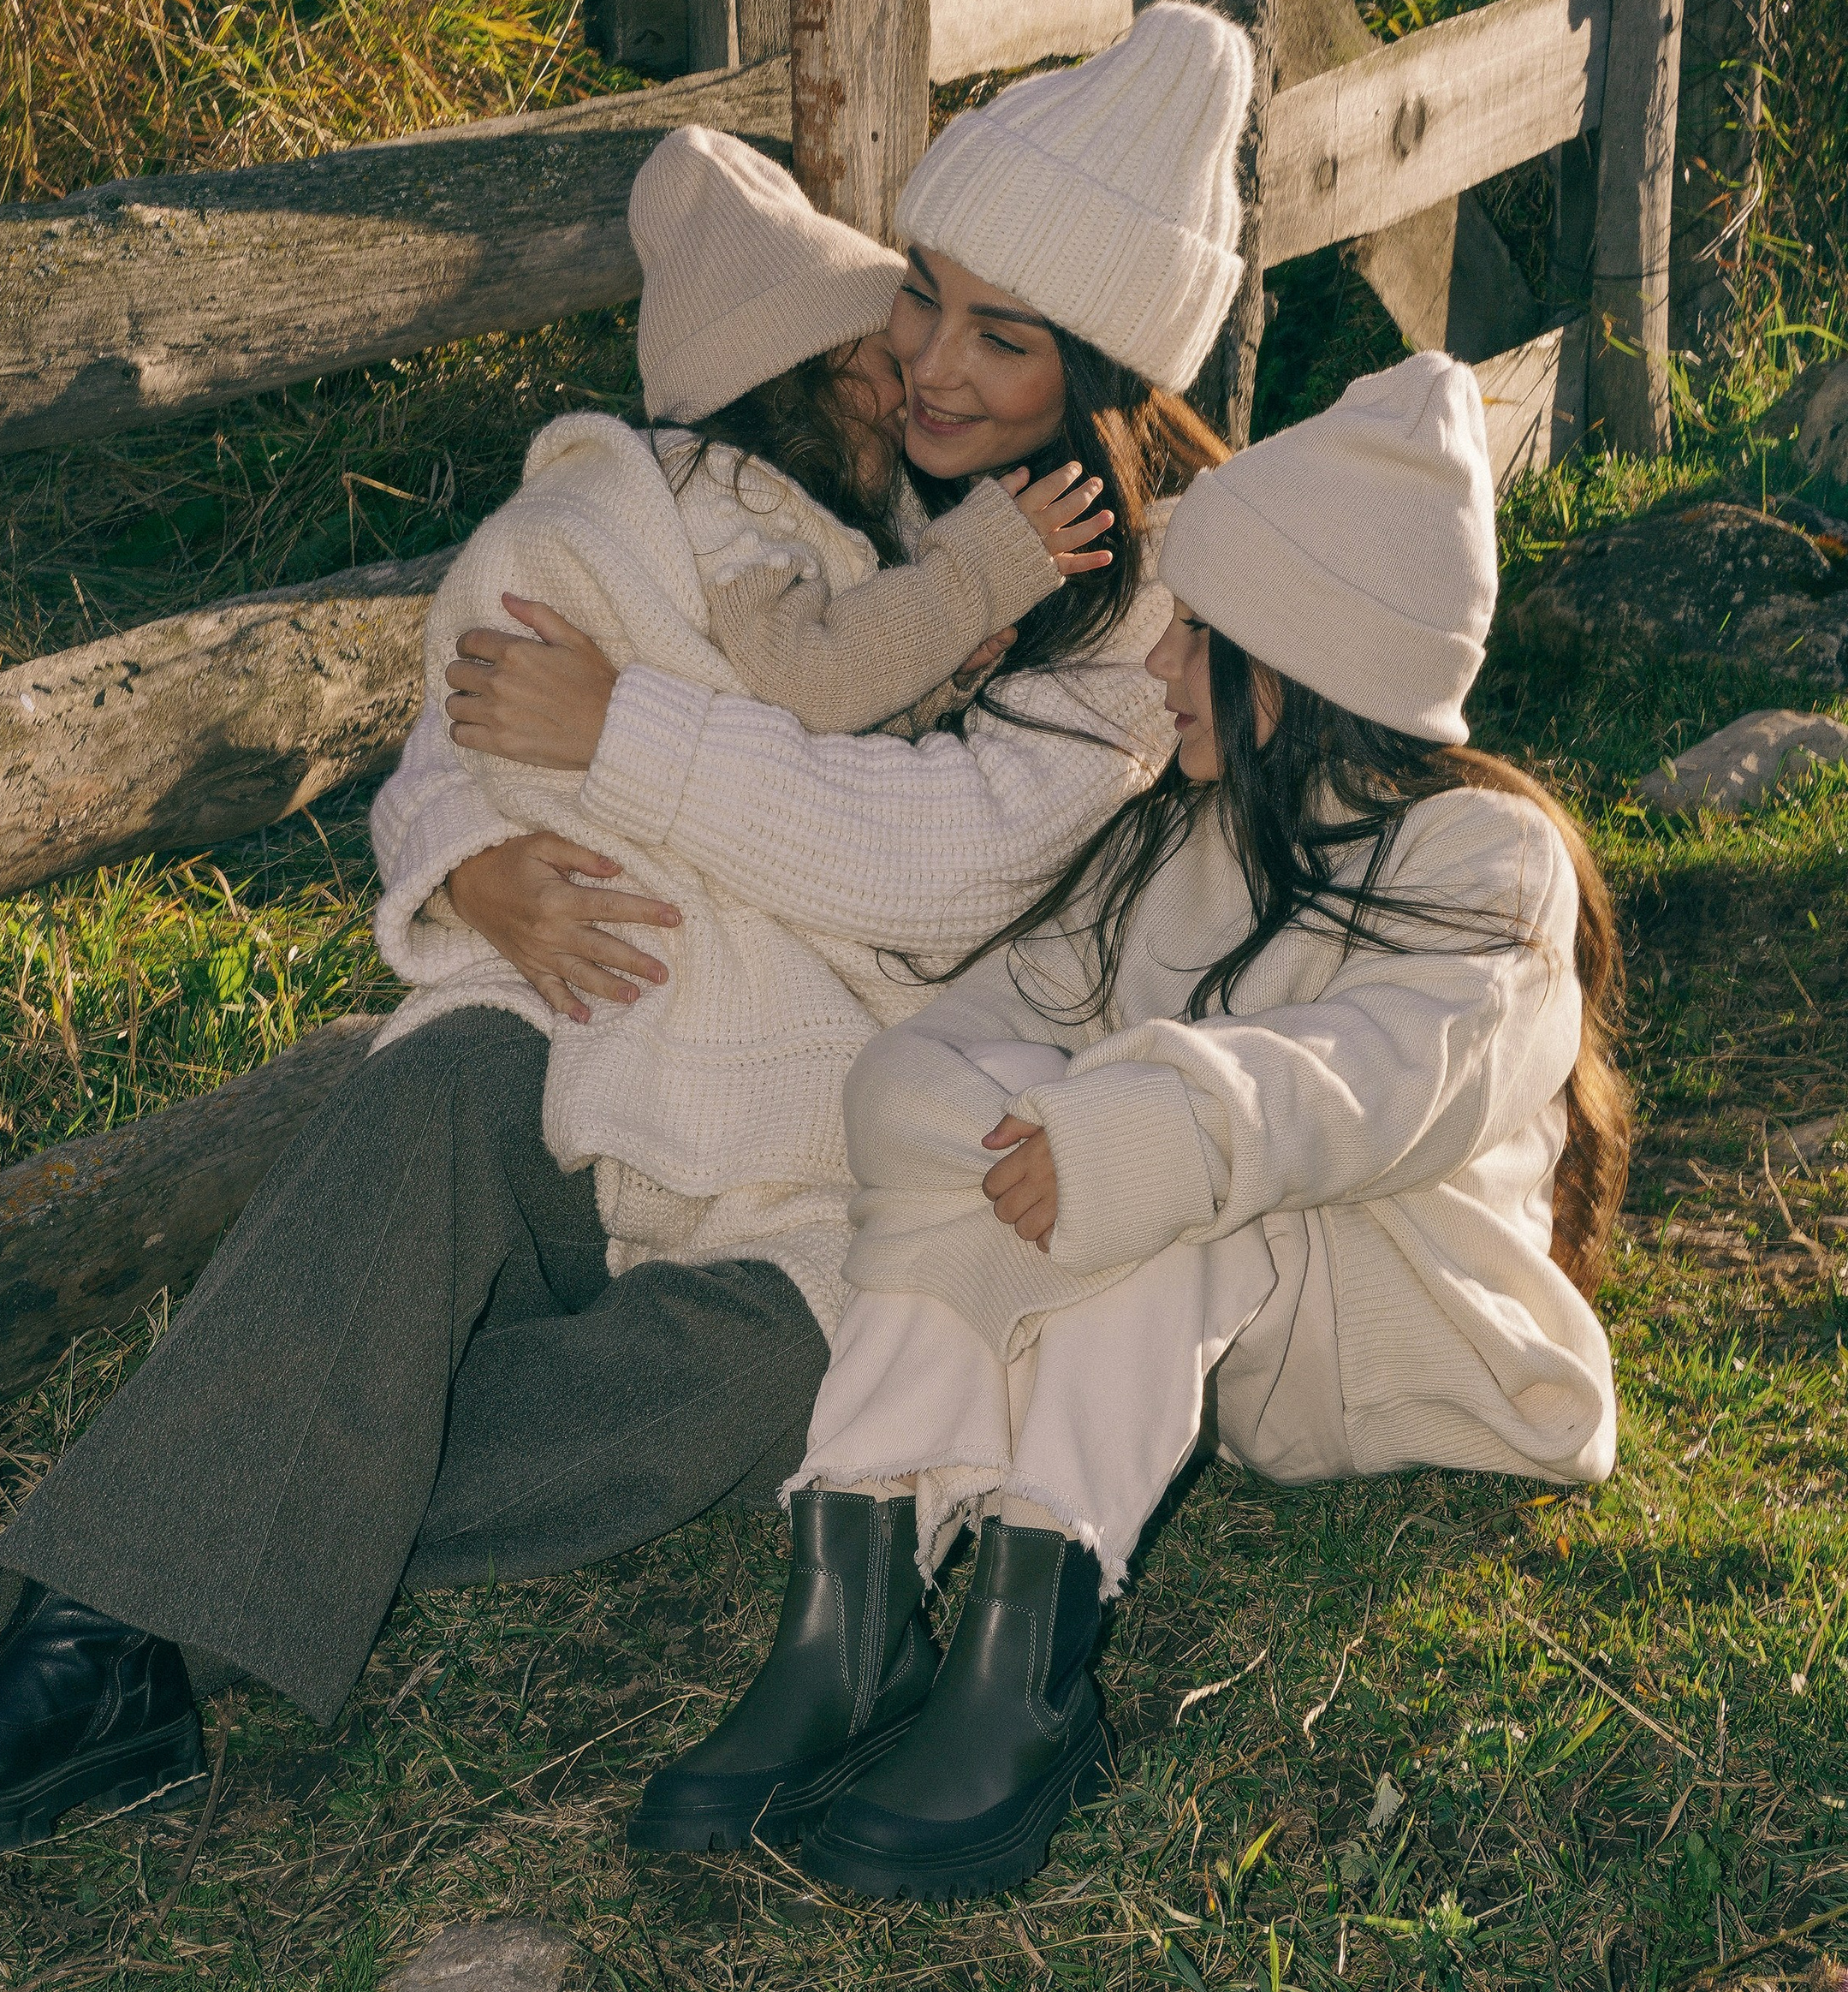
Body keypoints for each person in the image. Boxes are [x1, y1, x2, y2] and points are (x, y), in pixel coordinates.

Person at [0, 0, 1251, 1858]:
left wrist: (620, 737)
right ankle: (103, 1643)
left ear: (1105, 373)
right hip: (608, 1019)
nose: (928, 362)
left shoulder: (1137, 608)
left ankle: (235, 1511)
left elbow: (933, 870)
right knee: (431, 1090)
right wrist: (465, 854)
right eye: (923, 294)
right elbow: (493, 677)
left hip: (841, 1136)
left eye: (1005, 336)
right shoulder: (797, 441)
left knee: (737, 1388)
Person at [634, 356, 1628, 1904]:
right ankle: (854, 1615)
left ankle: (1024, 1676)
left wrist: (1120, 1135)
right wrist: (989, 1126)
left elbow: (1354, 1085)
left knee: (1166, 1162)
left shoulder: (1490, 865)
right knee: (1054, 1135)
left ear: (1294, 660)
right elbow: (954, 1035)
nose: (1158, 657)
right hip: (1240, 1347)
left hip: (1410, 1344)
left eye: (1196, 630)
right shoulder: (1175, 839)